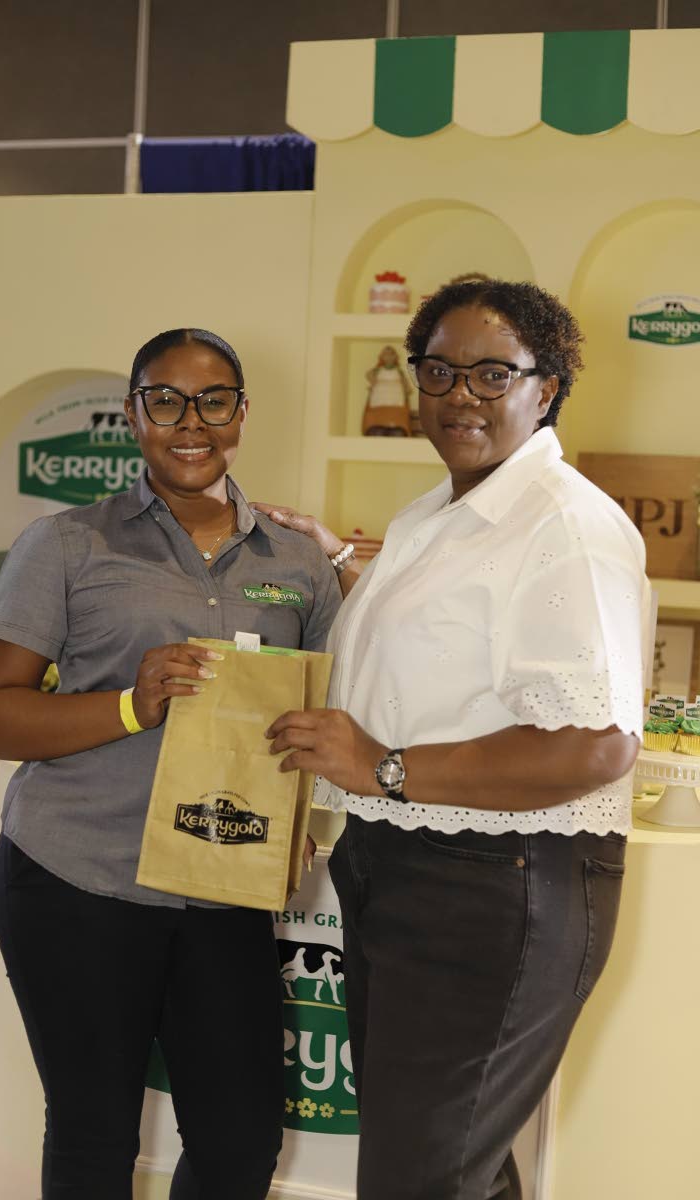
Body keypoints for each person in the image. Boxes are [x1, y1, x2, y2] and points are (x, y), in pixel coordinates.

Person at [260, 280, 648, 1200]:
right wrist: (343, 564)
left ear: (546, 389)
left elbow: (595, 743)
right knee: (446, 1163)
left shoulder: (564, 525)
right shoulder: (442, 512)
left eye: (491, 374)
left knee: (421, 1174)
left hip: (497, 884)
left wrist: (381, 767)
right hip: (410, 862)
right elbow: (445, 655)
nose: (460, 395)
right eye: (438, 371)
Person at [0, 328, 344, 1200]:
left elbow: (325, 716)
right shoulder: (67, 544)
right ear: (133, 415)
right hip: (77, 879)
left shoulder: (298, 564)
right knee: (94, 1137)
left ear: (241, 413)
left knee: (241, 1143)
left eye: (213, 401)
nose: (190, 422)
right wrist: (131, 704)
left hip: (225, 888)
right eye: (164, 401)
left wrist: (301, 821)